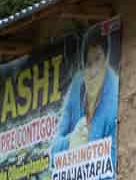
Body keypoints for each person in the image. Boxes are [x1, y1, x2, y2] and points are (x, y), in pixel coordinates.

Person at [51, 25, 119, 162]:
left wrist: (82, 150)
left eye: (98, 59)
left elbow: (112, 162)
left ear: (106, 61)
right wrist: (71, 142)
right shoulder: (77, 87)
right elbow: (53, 152)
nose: (93, 70)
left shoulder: (113, 101)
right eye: (88, 63)